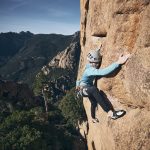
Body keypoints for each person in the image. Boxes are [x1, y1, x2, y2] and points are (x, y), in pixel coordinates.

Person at [76, 46, 130, 123]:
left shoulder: (89, 65)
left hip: (86, 88)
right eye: (97, 63)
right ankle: (110, 113)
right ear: (94, 63)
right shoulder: (90, 70)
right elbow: (103, 72)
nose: (98, 65)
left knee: (94, 103)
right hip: (83, 90)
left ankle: (93, 118)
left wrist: (98, 50)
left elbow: (93, 57)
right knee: (94, 89)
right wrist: (118, 62)